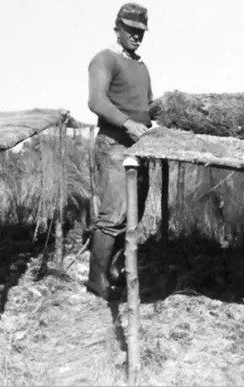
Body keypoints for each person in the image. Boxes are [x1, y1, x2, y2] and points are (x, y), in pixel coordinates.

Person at [85, 3, 153, 300]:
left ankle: (114, 270)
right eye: (131, 30)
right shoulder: (105, 59)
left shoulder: (141, 66)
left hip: (139, 147)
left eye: (141, 31)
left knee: (131, 216)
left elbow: (146, 109)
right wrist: (127, 124)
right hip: (114, 145)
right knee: (112, 216)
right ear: (118, 29)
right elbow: (97, 102)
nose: (136, 36)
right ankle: (96, 281)